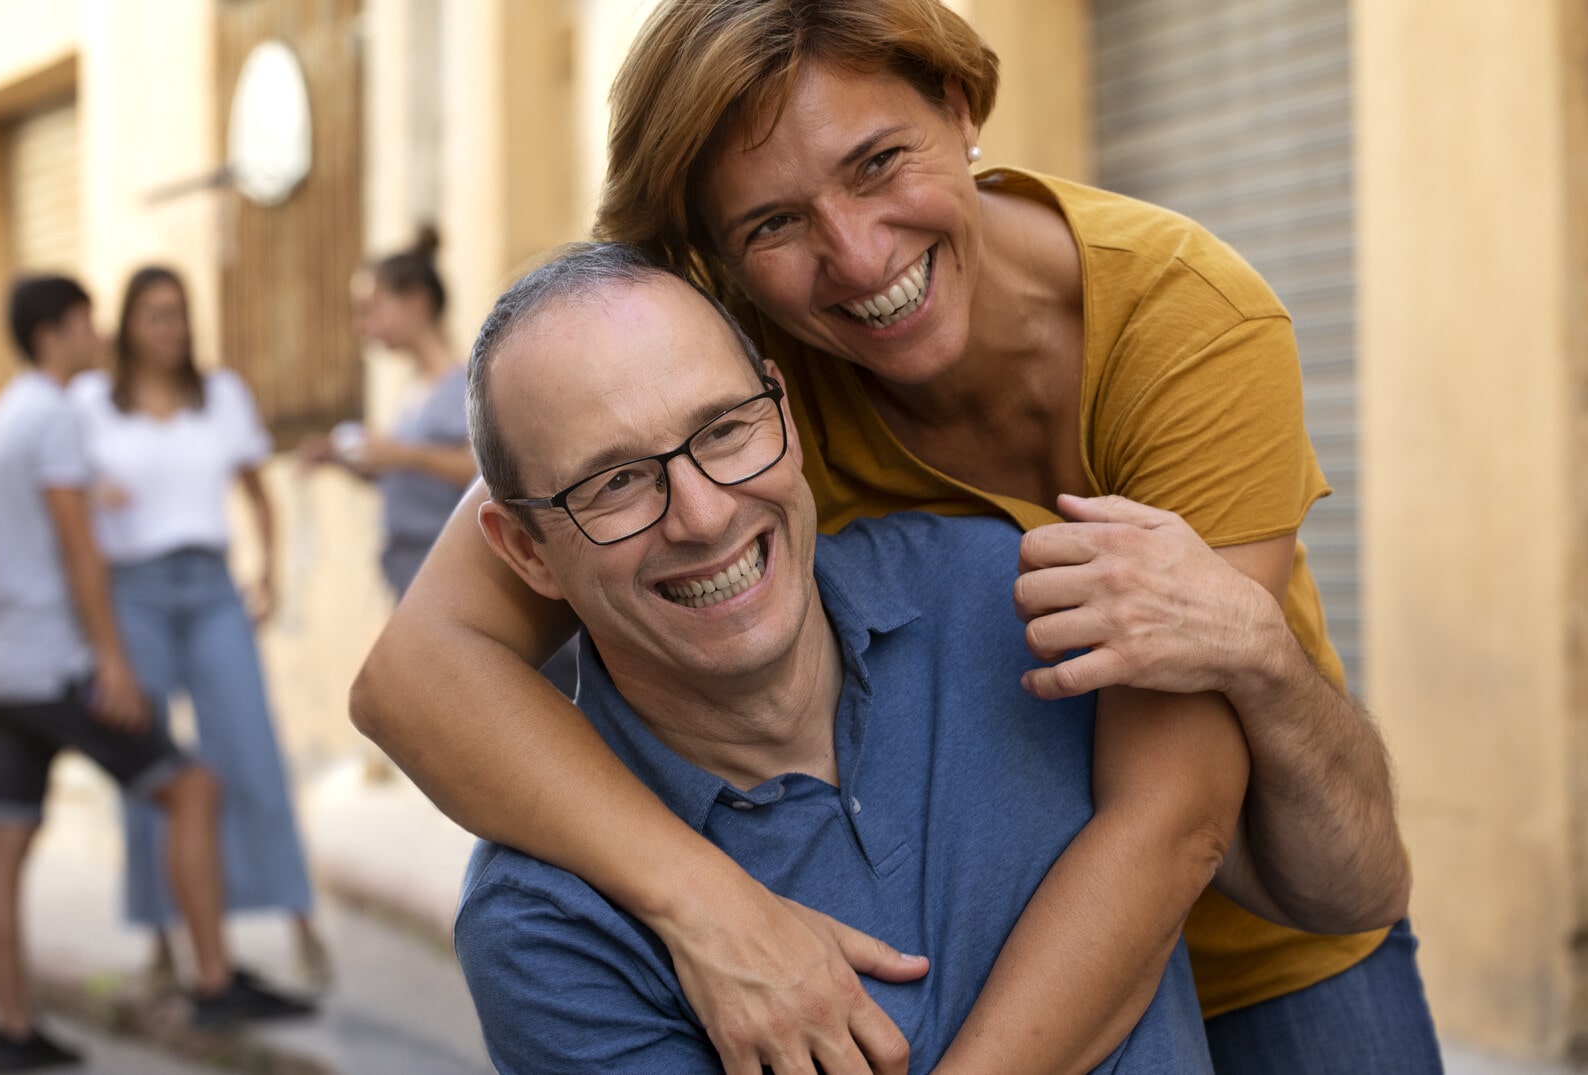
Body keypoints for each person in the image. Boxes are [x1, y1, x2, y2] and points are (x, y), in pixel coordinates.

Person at [352, 2, 1436, 1072]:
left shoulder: (1186, 324)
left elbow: (1176, 821)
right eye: (771, 223)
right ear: (712, 260)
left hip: (1255, 919)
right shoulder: (719, 382)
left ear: (959, 105)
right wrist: (708, 904)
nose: (859, 258)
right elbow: (416, 676)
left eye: (877, 163)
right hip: (980, 932)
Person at [455, 241, 1302, 1071]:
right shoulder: (545, 924)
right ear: (526, 552)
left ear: (782, 413)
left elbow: (1336, 883)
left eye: (722, 430)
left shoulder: (1012, 589)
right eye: (616, 483)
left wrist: (1273, 662)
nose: (704, 517)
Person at [0, 276, 314, 1071]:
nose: (97, 336)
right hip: (53, 665)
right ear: (57, 330)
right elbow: (82, 549)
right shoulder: (61, 412)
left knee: (9, 843)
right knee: (192, 788)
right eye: (86, 322)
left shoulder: (1, 417)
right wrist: (114, 662)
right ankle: (211, 977)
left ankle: (13, 1032)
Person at [67, 266, 326, 989]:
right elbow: (55, 489)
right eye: (153, 315)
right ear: (128, 325)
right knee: (150, 767)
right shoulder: (91, 404)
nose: (169, 328)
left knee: (250, 750)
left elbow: (256, 490)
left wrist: (267, 572)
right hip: (133, 593)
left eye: (178, 314)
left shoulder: (222, 395)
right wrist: (91, 491)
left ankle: (297, 920)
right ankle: (161, 942)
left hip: (211, 587)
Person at [302, 229, 579, 692]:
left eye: (374, 308)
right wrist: (350, 461)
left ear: (416, 303)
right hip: (412, 568)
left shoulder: (466, 383)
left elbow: (483, 473)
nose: (364, 326)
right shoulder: (415, 393)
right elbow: (420, 478)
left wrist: (400, 453)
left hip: (467, 578)